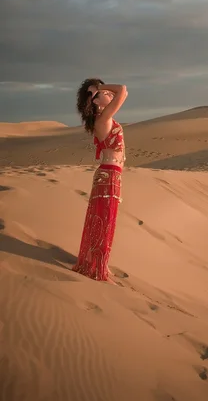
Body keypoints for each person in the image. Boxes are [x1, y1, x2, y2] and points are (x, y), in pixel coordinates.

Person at [73, 78, 128, 283]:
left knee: (106, 220)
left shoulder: (105, 117)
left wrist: (99, 89)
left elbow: (123, 93)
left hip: (111, 175)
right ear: (95, 100)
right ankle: (97, 268)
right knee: (104, 221)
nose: (109, 94)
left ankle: (96, 263)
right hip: (108, 175)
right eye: (104, 93)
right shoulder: (103, 119)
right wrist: (98, 88)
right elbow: (122, 90)